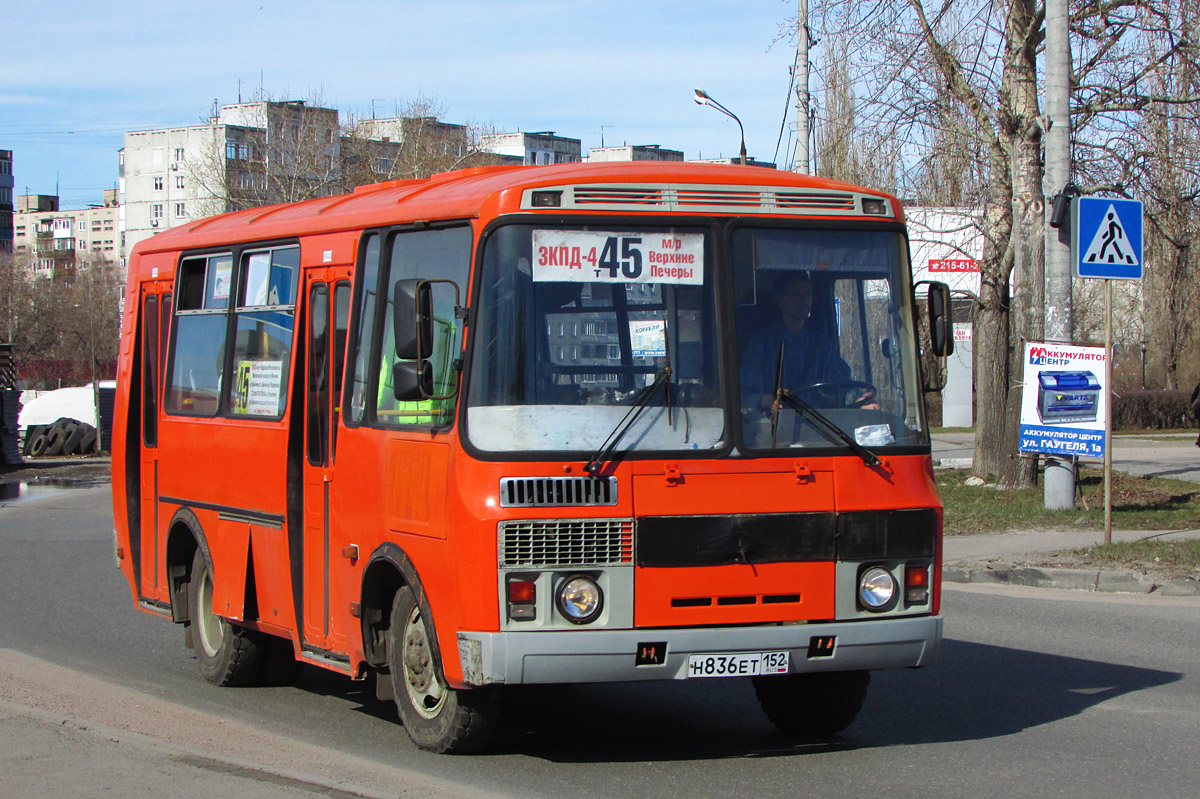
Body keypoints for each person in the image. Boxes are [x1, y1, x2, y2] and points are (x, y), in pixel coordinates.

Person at [740, 271, 877, 413]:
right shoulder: (761, 344)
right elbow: (742, 396)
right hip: (775, 428)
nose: (804, 300)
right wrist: (766, 400)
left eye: (807, 294)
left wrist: (859, 400)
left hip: (820, 426)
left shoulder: (821, 345)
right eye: (796, 295)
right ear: (780, 300)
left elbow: (843, 385)